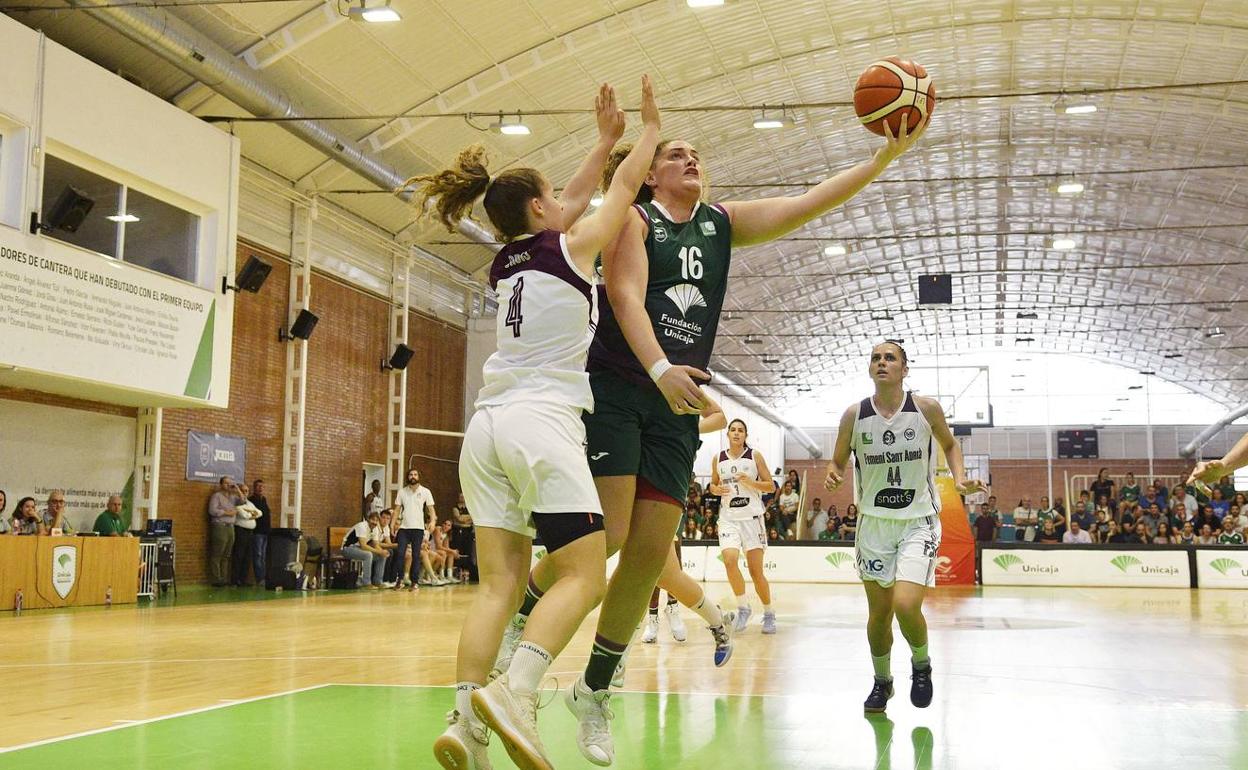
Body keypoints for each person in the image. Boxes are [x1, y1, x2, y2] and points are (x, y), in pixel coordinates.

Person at [541, 99, 927, 768]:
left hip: (678, 402)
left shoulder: (720, 224)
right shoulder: (633, 216)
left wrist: (878, 160)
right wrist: (658, 366)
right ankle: (523, 618)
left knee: (648, 551)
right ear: (652, 175)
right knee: (609, 532)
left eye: (695, 155)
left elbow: (808, 203)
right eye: (674, 154)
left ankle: (593, 689)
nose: (690, 159)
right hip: (621, 385)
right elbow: (627, 297)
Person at [419, 80, 662, 770]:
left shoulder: (509, 259)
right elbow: (617, 193)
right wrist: (643, 133)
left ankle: (465, 721)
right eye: (555, 196)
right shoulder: (575, 247)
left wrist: (602, 141)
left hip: (485, 427)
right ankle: (517, 689)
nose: (569, 199)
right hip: (541, 421)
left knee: (497, 584)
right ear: (538, 207)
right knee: (585, 571)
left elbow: (578, 196)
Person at [824, 340, 984, 714]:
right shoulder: (853, 415)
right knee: (878, 614)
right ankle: (882, 682)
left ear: (904, 369)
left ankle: (922, 665)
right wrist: (833, 476)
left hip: (918, 522)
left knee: (906, 604)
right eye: (876, 358)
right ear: (870, 369)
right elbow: (837, 462)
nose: (882, 362)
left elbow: (950, 445)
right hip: (873, 525)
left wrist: (959, 479)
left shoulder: (925, 408)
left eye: (890, 358)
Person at [709, 418, 778, 634]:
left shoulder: (754, 456)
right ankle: (743, 608)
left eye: (740, 430)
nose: (736, 433)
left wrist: (750, 482)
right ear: (728, 434)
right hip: (729, 518)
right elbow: (712, 484)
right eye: (733, 430)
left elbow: (771, 486)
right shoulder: (718, 459)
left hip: (752, 519)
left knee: (756, 572)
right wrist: (715, 490)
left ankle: (768, 613)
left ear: (745, 435)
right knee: (729, 561)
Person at [394, 468, 435, 590]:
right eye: (411, 474)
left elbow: (431, 509)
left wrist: (432, 521)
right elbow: (397, 510)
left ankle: (414, 582)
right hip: (404, 528)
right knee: (400, 554)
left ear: (418, 477)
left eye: (415, 474)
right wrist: (392, 524)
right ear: (408, 477)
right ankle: (400, 580)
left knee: (416, 555)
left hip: (418, 528)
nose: (413, 476)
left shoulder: (425, 491)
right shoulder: (402, 492)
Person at [341, 510, 388, 589]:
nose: (374, 522)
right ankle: (366, 583)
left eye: (376, 521)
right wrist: (379, 551)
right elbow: (363, 545)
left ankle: (378, 582)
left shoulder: (375, 529)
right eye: (373, 520)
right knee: (368, 555)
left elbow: (376, 544)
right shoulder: (361, 526)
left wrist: (382, 552)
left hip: (359, 549)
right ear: (368, 519)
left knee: (382, 555)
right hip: (348, 549)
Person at [207, 477, 240, 587]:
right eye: (226, 483)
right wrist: (226, 513)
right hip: (220, 525)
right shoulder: (216, 496)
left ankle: (224, 579)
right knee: (218, 553)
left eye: (230, 483)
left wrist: (237, 489)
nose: (228, 485)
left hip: (231, 526)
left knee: (227, 554)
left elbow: (244, 501)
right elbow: (212, 510)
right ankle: (216, 579)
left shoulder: (233, 497)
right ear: (221, 484)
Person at [231, 484, 262, 586]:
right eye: (243, 491)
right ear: (239, 491)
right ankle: (235, 580)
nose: (245, 493)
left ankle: (243, 579)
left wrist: (252, 513)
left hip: (250, 532)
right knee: (239, 555)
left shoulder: (250, 503)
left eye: (247, 491)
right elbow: (244, 515)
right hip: (241, 531)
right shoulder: (237, 503)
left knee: (247, 556)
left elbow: (260, 513)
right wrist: (252, 514)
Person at [249, 480, 273, 588]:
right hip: (257, 532)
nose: (260, 488)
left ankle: (263, 577)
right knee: (258, 555)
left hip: (265, 532)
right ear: (254, 488)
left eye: (262, 486)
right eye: (258, 486)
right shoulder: (251, 500)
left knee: (263, 556)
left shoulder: (264, 499)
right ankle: (259, 579)